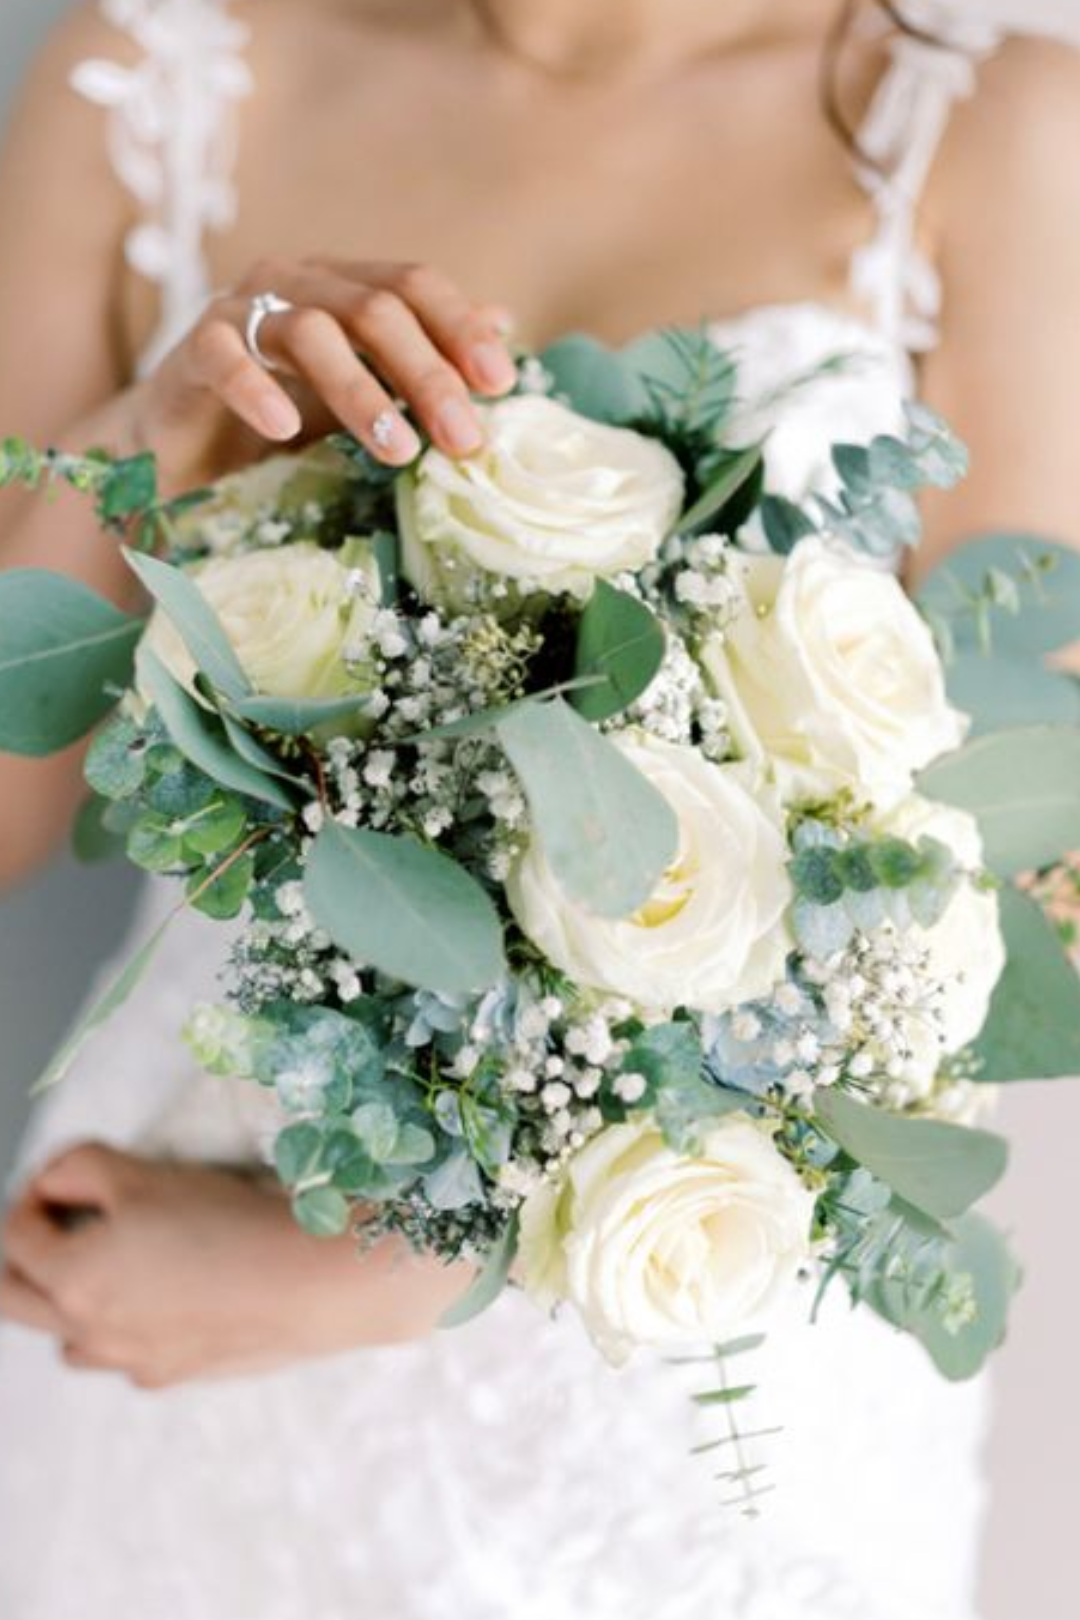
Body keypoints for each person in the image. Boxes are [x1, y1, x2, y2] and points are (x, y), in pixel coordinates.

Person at [0, 2, 1077, 1616]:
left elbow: (1028, 880)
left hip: (688, 1355)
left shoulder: (983, 123)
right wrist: (149, 443)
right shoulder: (159, 82)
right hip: (188, 1261)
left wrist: (381, 1274)